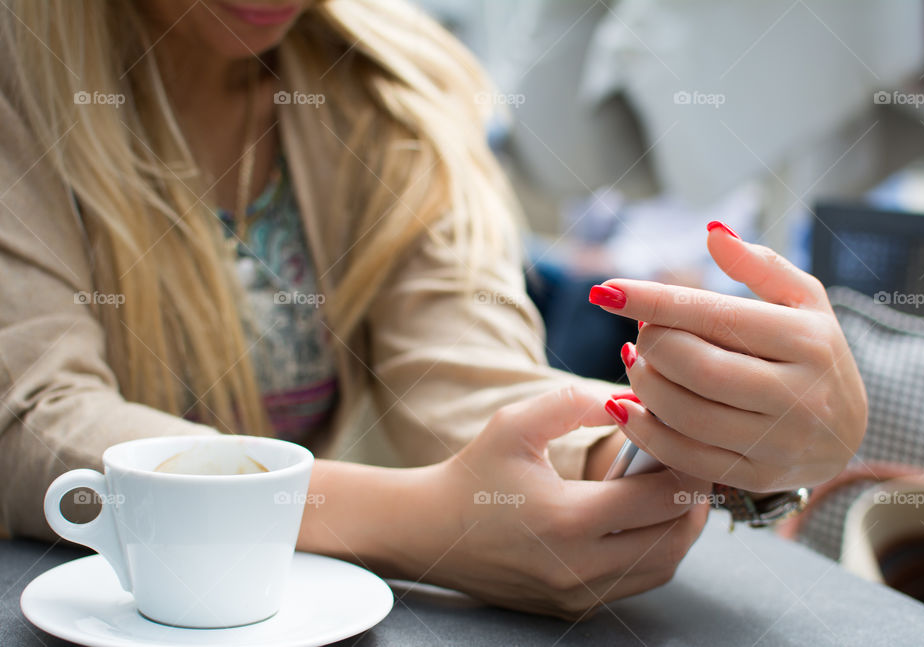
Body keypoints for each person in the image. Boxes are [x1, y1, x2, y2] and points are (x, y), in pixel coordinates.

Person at [0, 0, 867, 617]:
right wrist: (419, 524)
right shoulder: (20, 68)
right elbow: (36, 419)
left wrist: (669, 445)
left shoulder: (392, 87)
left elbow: (469, 383)